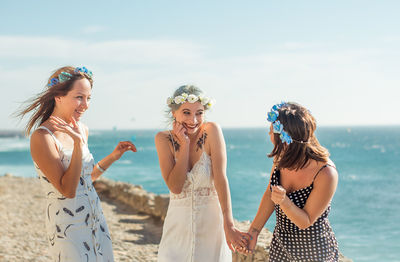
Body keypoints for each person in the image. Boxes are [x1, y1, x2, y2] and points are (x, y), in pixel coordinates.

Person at [17, 66, 136, 261]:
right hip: (67, 226)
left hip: (96, 217)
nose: (86, 105)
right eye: (79, 97)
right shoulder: (43, 137)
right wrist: (78, 144)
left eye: (88, 98)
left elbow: (85, 180)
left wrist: (113, 156)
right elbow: (68, 190)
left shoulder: (82, 129)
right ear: (58, 96)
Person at [155, 85, 247, 261]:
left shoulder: (212, 131)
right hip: (177, 228)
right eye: (187, 112)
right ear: (174, 113)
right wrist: (185, 146)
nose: (194, 120)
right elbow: (175, 187)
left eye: (199, 113)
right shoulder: (163, 139)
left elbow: (221, 179)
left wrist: (229, 225)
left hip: (211, 227)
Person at [241, 102, 339, 261]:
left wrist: (284, 201)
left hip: (315, 253)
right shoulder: (281, 159)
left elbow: (305, 221)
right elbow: (269, 195)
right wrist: (253, 233)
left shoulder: (326, 173)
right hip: (281, 248)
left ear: (285, 139)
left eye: (271, 131)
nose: (269, 134)